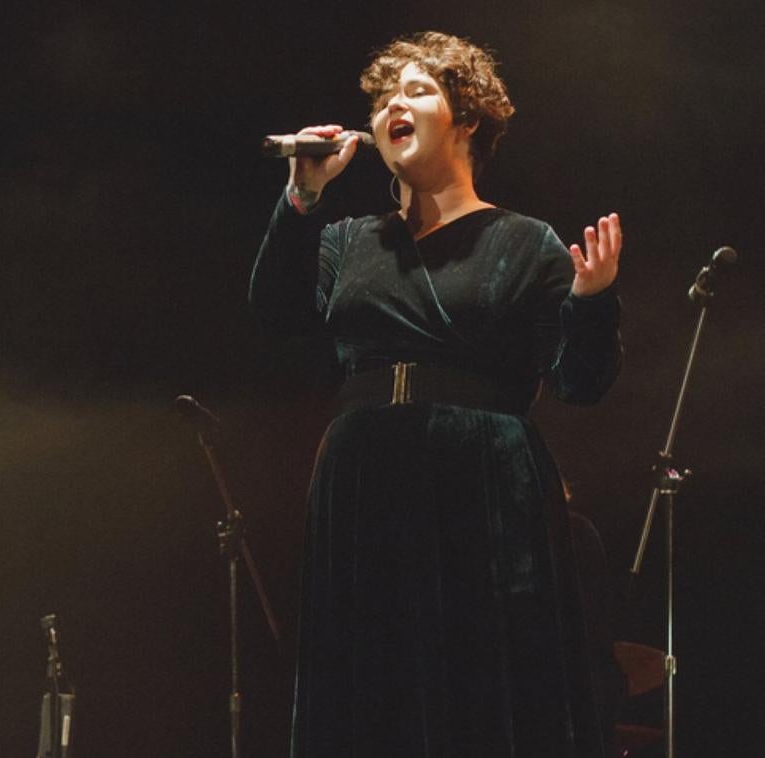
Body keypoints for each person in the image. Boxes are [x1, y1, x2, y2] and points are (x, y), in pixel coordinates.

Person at [249, 32, 623, 757]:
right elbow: (275, 313)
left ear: (468, 118)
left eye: (417, 91)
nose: (394, 104)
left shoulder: (527, 243)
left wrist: (592, 301)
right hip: (365, 482)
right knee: (371, 688)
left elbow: (580, 383)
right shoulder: (349, 240)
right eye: (384, 98)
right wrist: (302, 196)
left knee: (479, 686)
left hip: (482, 485)